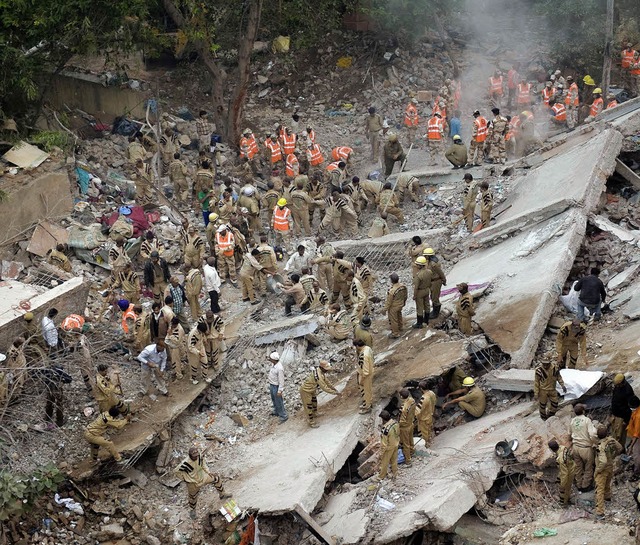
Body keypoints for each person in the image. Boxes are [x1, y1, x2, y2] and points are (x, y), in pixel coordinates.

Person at [175, 446, 230, 518]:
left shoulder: (199, 456)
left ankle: (222, 494)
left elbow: (203, 463)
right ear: (190, 456)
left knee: (216, 478)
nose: (196, 457)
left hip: (203, 476)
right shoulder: (185, 463)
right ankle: (192, 510)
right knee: (193, 497)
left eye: (197, 455)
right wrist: (186, 479)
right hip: (193, 482)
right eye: (194, 456)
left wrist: (208, 472)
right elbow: (176, 472)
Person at [299, 360, 339, 428]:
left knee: (314, 402)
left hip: (312, 389)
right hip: (306, 391)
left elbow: (327, 381)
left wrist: (333, 388)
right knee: (308, 406)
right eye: (326, 369)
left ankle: (315, 413)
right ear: (322, 368)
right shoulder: (318, 376)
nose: (327, 371)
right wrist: (334, 392)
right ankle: (311, 421)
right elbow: (324, 388)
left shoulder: (319, 370)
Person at [593, 426, 622, 518]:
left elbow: (603, 461)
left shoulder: (601, 446)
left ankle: (600, 512)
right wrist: (613, 455)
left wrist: (598, 470)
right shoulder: (611, 440)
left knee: (599, 489)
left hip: (603, 468)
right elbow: (620, 448)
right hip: (610, 465)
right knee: (607, 483)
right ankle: (608, 497)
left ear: (598, 435)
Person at [570, 403, 598, 492]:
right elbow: (592, 434)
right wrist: (595, 442)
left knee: (578, 467)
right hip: (585, 448)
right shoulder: (587, 420)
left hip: (575, 447)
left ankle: (578, 484)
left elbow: (569, 433)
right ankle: (585, 486)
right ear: (583, 411)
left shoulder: (572, 421)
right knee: (588, 467)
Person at [41, 363, 72, 428]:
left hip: (49, 389)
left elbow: (42, 378)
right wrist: (63, 380)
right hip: (57, 390)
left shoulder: (47, 370)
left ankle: (48, 419)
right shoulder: (59, 371)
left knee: (49, 404)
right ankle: (59, 421)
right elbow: (69, 379)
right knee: (59, 405)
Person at [548, 439, 576, 506]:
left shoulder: (560, 460)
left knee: (564, 489)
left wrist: (562, 485)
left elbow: (564, 474)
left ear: (551, 449)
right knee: (568, 487)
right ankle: (568, 498)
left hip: (568, 472)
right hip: (571, 466)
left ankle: (563, 503)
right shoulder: (563, 448)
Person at [610, 374, 634, 447]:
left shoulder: (628, 391)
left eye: (617, 385)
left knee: (620, 436)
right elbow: (614, 399)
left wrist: (625, 420)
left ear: (622, 383)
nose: (616, 386)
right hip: (615, 414)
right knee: (614, 433)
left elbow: (629, 407)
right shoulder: (617, 387)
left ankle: (621, 449)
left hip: (621, 417)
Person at [423, 248, 446, 319]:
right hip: (432, 281)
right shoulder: (430, 262)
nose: (424, 256)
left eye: (425, 255)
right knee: (433, 296)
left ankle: (436, 313)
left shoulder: (433, 264)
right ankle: (434, 311)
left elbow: (440, 272)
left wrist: (444, 280)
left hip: (436, 281)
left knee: (435, 297)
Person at [383, 273, 407, 338]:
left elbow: (389, 302)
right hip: (401, 304)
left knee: (393, 320)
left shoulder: (392, 291)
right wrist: (404, 302)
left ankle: (395, 333)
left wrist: (384, 310)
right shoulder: (403, 286)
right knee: (399, 315)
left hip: (394, 306)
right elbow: (405, 295)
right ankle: (400, 327)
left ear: (391, 281)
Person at [377, 410, 400, 480]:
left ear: (383, 419)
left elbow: (384, 444)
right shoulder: (395, 423)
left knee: (384, 463)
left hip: (389, 447)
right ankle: (395, 474)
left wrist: (380, 454)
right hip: (396, 444)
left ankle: (381, 477)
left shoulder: (385, 430)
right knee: (394, 460)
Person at [267, 351, 288, 424]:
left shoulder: (279, 368)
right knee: (274, 400)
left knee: (279, 401)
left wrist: (280, 390)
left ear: (274, 360)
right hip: (272, 385)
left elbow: (281, 381)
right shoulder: (274, 365)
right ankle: (276, 411)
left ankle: (283, 416)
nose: (269, 359)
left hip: (276, 386)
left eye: (270, 358)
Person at [354, 339, 374, 414]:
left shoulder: (363, 355)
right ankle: (367, 403)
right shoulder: (368, 348)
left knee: (366, 391)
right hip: (370, 371)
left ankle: (367, 407)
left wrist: (362, 379)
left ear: (357, 346)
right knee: (367, 390)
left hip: (366, 375)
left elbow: (365, 371)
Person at [412, 256, 432, 329]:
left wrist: (414, 295)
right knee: (427, 305)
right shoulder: (429, 271)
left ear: (420, 265)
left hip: (420, 292)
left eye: (417, 264)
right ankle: (426, 320)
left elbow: (416, 287)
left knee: (419, 307)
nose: (416, 265)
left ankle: (419, 323)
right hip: (427, 290)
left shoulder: (418, 275)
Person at [398, 389, 416, 466]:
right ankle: (412, 452)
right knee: (411, 439)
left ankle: (408, 460)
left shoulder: (404, 408)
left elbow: (402, 421)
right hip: (411, 423)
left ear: (401, 396)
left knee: (405, 444)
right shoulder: (412, 400)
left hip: (405, 427)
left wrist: (398, 425)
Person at [416, 380, 436, 446]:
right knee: (429, 429)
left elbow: (418, 410)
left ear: (421, 388)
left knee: (424, 432)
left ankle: (426, 444)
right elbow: (434, 403)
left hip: (424, 418)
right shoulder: (432, 393)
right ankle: (429, 439)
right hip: (430, 415)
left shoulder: (424, 398)